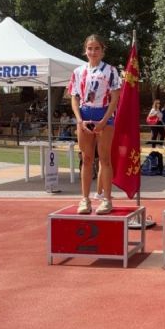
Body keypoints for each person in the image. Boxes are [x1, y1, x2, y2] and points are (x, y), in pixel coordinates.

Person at [68, 34, 120, 215]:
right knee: (86, 158)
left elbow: (115, 98)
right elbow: (74, 97)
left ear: (102, 50)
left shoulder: (110, 71)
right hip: (84, 115)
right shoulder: (77, 72)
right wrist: (79, 119)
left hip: (103, 114)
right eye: (90, 48)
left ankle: (106, 199)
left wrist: (105, 120)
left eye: (97, 48)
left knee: (105, 158)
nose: (93, 52)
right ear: (85, 50)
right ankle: (85, 199)